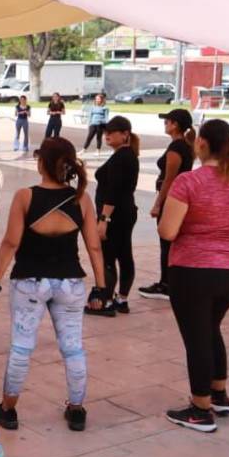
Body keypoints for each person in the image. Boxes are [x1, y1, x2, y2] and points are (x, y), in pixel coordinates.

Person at [0, 137, 107, 432]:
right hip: (71, 283)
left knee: (21, 347)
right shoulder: (82, 199)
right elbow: (94, 247)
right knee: (73, 348)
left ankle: (8, 409)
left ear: (43, 163)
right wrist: (101, 287)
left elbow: (11, 242)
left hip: (29, 282)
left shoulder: (25, 196)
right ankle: (76, 409)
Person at [159, 119, 229, 432]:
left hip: (192, 271)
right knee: (211, 330)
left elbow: (168, 230)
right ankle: (219, 393)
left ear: (201, 143)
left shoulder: (189, 182)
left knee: (198, 338)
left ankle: (200, 408)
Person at [139, 109, 196, 301]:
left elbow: (169, 180)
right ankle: (174, 282)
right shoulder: (186, 146)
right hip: (179, 199)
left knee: (167, 242)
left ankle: (167, 284)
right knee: (174, 243)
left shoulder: (176, 149)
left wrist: (157, 204)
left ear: (176, 125)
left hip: (171, 199)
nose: (165, 125)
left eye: (168, 122)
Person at [88, 116, 140, 317]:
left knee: (108, 256)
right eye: (105, 131)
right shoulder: (126, 155)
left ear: (125, 134)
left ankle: (107, 300)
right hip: (125, 212)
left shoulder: (121, 157)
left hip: (115, 215)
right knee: (124, 254)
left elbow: (114, 191)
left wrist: (104, 220)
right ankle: (121, 299)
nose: (107, 135)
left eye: (112, 131)